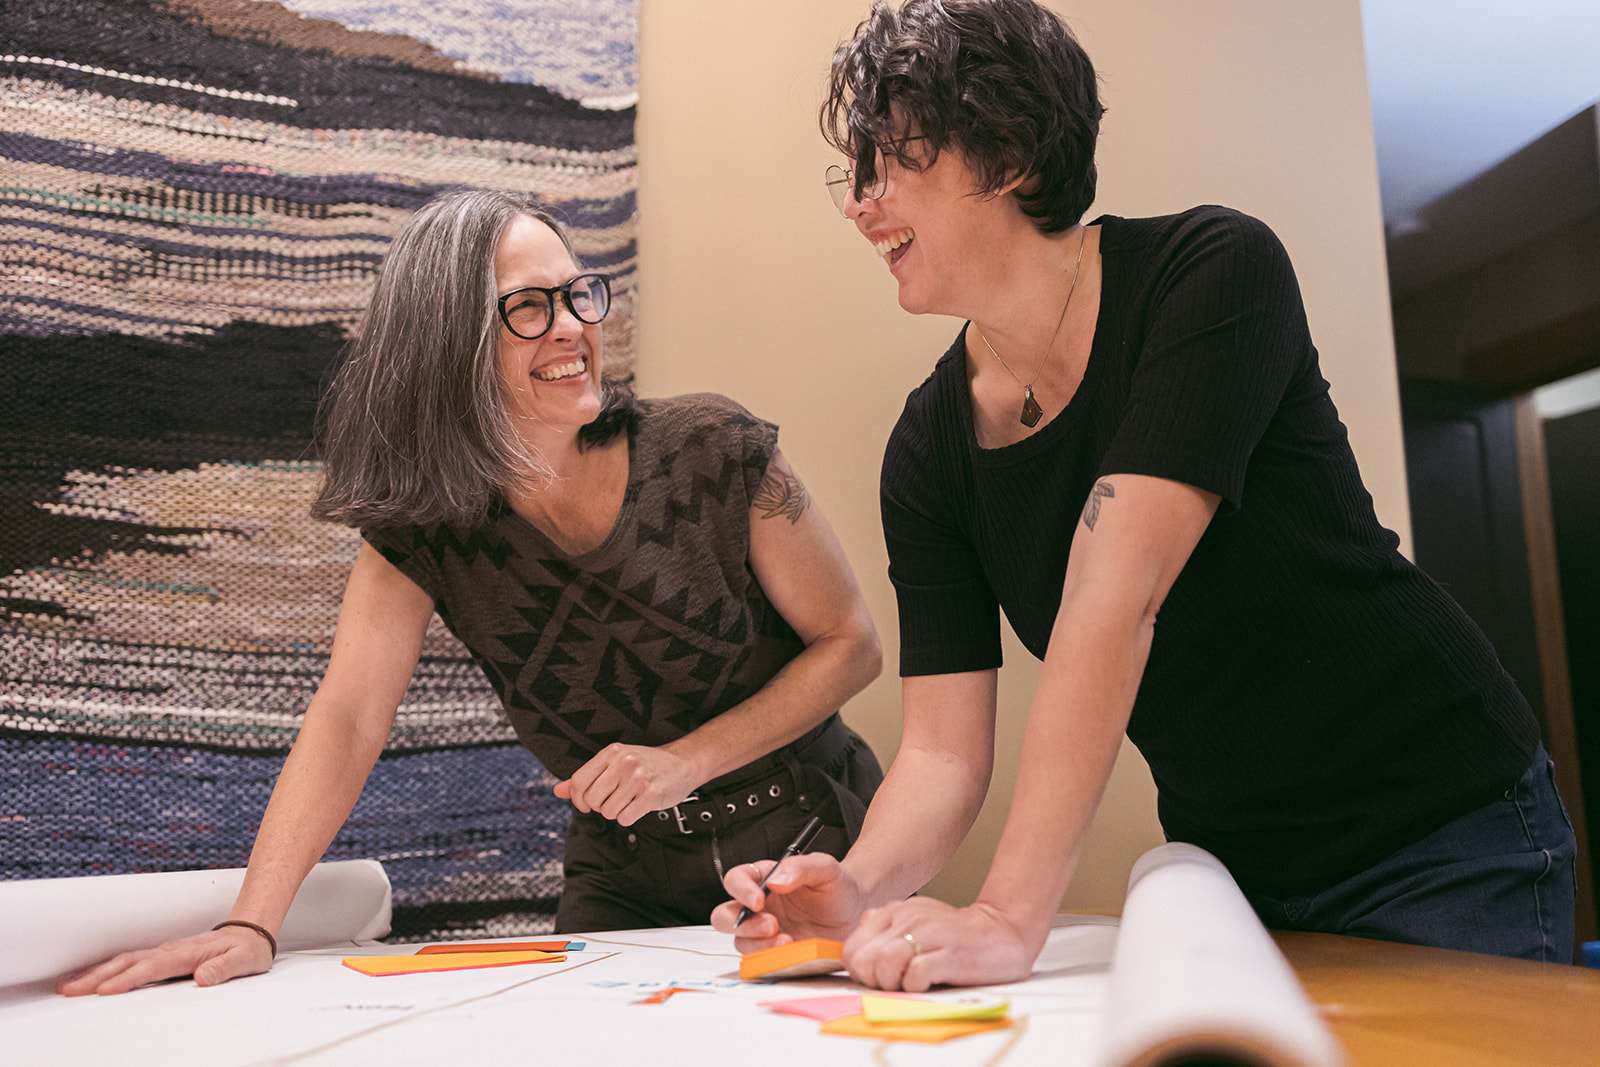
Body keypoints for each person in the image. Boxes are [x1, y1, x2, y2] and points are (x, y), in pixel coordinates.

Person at [713, 0, 1578, 988]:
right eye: (850, 172)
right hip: (1235, 869)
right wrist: (856, 883)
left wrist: (1004, 913)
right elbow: (945, 753)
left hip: (1439, 823)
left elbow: (1112, 595)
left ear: (1007, 152)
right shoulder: (927, 446)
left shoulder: (1209, 273)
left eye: (888, 160)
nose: (858, 202)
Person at [59, 189, 883, 996]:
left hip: (811, 843)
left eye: (576, 295)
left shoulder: (715, 447)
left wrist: (684, 761)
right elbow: (347, 717)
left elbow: (851, 643)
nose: (572, 327)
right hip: (620, 878)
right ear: (446, 346)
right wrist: (252, 925)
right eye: (528, 307)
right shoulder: (423, 531)